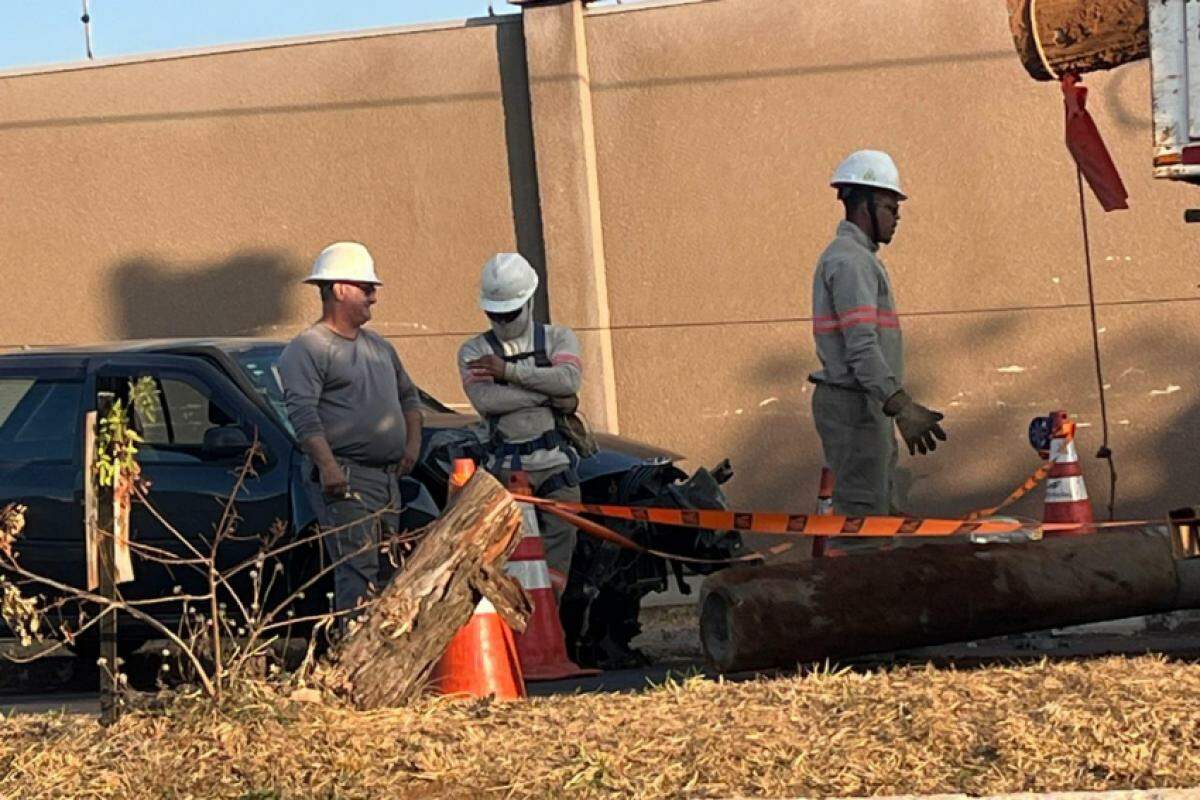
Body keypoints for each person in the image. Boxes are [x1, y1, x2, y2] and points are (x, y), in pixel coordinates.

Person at [278, 241, 423, 621]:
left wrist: (412, 446)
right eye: (367, 288)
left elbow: (410, 399)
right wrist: (328, 467)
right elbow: (303, 414)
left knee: (390, 572)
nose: (373, 297)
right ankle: (354, 660)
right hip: (348, 477)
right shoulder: (308, 348)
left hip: (386, 478)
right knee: (358, 571)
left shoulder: (380, 348)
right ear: (340, 289)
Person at [809, 150, 947, 529]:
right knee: (862, 523)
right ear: (863, 205)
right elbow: (862, 348)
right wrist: (900, 405)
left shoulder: (859, 259)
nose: (896, 218)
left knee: (880, 515)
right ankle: (851, 588)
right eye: (889, 207)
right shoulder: (851, 262)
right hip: (856, 407)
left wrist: (891, 405)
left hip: (866, 406)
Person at [458, 252, 583, 594]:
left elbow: (569, 381)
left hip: (554, 465)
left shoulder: (558, 338)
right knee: (510, 562)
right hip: (505, 471)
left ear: (528, 301)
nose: (504, 322)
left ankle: (549, 627)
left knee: (559, 556)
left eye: (510, 313)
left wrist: (508, 372)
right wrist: (546, 393)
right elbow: (488, 401)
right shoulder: (474, 351)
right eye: (496, 315)